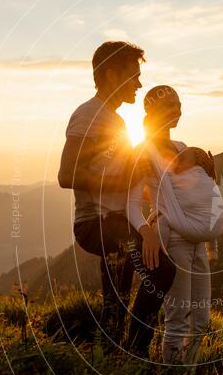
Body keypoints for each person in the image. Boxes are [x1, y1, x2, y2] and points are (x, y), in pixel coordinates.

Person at [57, 41, 175, 358]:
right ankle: (136, 352)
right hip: (96, 224)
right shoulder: (87, 115)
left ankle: (112, 354)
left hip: (114, 221)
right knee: (162, 271)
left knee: (117, 296)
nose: (139, 83)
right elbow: (66, 175)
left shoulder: (115, 121)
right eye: (133, 75)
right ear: (111, 74)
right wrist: (120, 179)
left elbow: (117, 174)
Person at [126, 85, 222, 364]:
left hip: (197, 238)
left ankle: (189, 373)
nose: (178, 110)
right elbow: (131, 204)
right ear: (153, 112)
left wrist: (210, 171)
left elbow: (194, 189)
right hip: (174, 238)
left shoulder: (182, 148)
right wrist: (147, 234)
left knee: (201, 317)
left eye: (179, 104)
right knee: (178, 316)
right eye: (170, 106)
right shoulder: (142, 152)